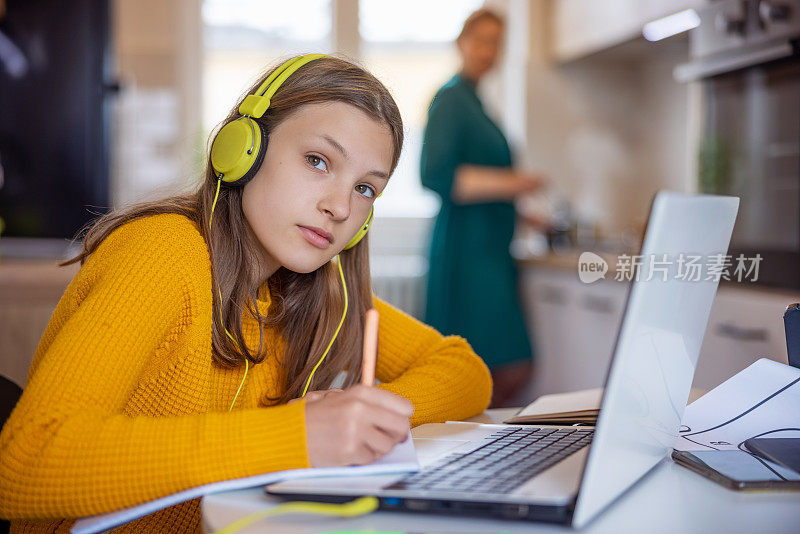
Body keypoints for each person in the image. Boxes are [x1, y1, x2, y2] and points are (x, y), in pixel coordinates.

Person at [0, 55, 492, 532]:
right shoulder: (160, 253)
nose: (341, 207)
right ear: (242, 151)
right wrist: (296, 435)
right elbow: (27, 460)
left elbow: (464, 369)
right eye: (318, 161)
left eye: (366, 188)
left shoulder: (309, 292)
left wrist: (361, 421)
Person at [421, 9, 544, 408]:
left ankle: (475, 442)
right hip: (467, 254)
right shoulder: (451, 99)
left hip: (490, 251)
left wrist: (525, 213)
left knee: (499, 365)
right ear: (461, 43)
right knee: (499, 365)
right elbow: (438, 176)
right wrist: (518, 183)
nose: (489, 51)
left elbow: (483, 184)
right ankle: (471, 445)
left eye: (496, 43)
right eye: (481, 40)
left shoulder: (476, 102)